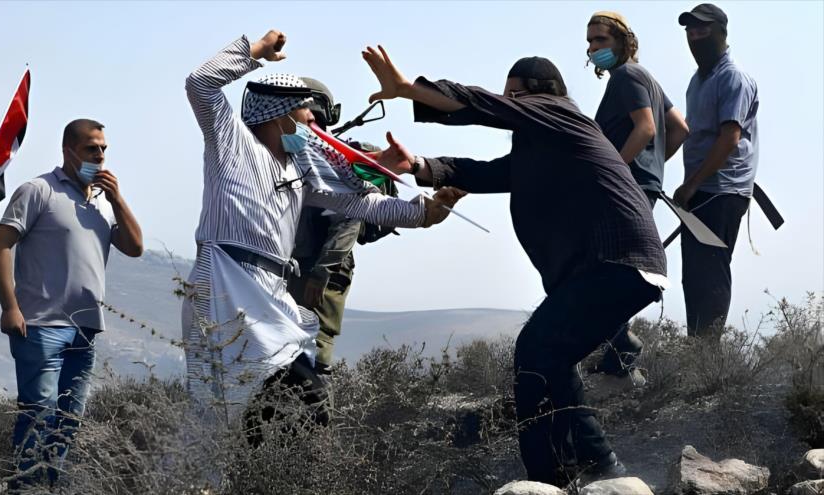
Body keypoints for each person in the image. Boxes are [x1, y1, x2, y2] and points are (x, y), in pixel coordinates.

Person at [362, 45, 667, 484]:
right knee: (550, 359)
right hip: (612, 267)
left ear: (540, 95)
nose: (511, 107)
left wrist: (411, 89)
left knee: (537, 351)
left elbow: (484, 104)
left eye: (515, 96)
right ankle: (580, 470)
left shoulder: (561, 114)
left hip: (616, 261)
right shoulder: (545, 149)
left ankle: (569, 474)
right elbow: (488, 173)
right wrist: (418, 166)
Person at [181, 29, 463, 427]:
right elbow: (201, 83)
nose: (315, 125)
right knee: (229, 405)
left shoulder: (300, 171)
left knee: (297, 402)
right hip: (226, 283)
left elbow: (360, 203)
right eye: (307, 115)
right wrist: (254, 51)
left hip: (271, 293)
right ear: (280, 114)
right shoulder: (232, 143)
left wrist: (423, 213)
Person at [0, 118, 143, 490]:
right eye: (92, 148)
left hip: (85, 330)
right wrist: (10, 307)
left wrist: (118, 199)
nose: (100, 155)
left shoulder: (104, 204)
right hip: (39, 326)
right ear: (69, 150)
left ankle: (50, 487)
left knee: (69, 422)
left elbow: (135, 247)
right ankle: (25, 488)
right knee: (38, 418)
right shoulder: (38, 191)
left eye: (104, 148)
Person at [585, 11, 689, 376]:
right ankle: (618, 351)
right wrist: (653, 168)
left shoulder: (627, 76)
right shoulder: (646, 78)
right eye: (590, 41)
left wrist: (619, 171)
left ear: (622, 41)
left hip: (622, 188)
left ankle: (621, 349)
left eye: (601, 40)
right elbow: (678, 129)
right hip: (641, 186)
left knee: (602, 264)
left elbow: (645, 128)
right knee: (617, 263)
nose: (593, 48)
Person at [287, 77, 399, 375]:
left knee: (313, 353)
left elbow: (349, 217)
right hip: (293, 265)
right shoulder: (293, 156)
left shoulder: (338, 159)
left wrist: (323, 271)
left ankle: (314, 418)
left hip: (322, 268)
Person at [675, 3, 759, 338]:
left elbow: (730, 138)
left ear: (721, 32)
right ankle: (698, 348)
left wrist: (691, 185)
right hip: (701, 190)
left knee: (710, 271)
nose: (695, 36)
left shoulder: (732, 78)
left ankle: (707, 357)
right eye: (690, 31)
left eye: (702, 29)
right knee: (694, 273)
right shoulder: (698, 81)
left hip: (721, 190)